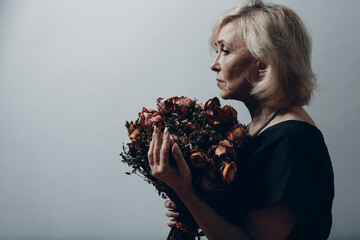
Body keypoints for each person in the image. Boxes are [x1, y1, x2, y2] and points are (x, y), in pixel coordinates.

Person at [147, 0, 334, 239]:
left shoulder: (293, 141)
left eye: (225, 51)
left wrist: (187, 193)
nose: (214, 64)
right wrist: (191, 204)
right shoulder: (257, 129)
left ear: (264, 64)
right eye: (217, 51)